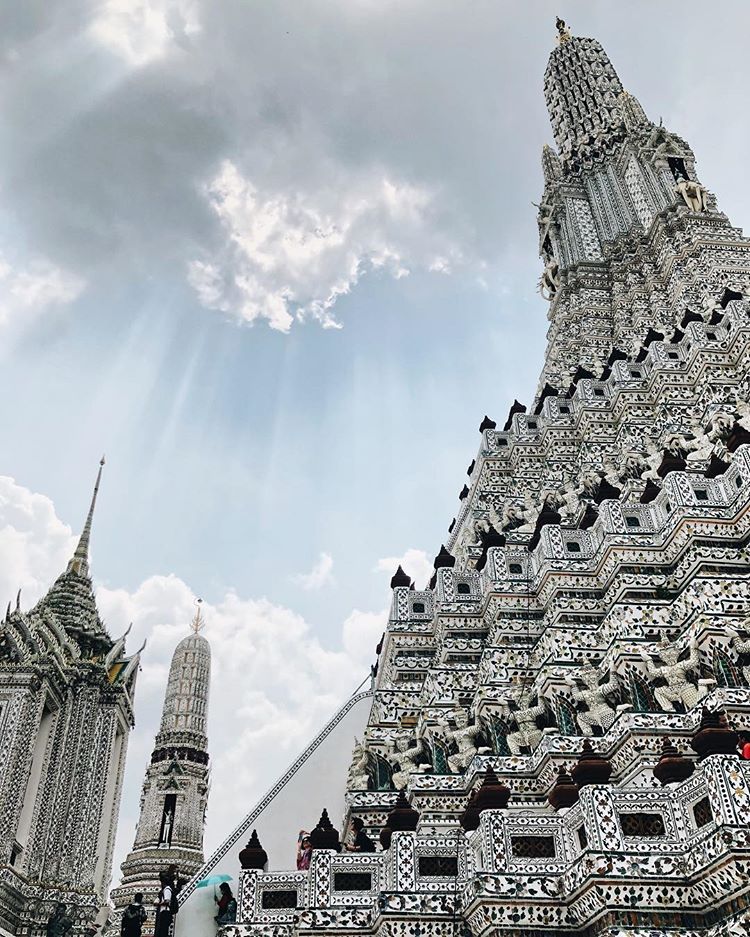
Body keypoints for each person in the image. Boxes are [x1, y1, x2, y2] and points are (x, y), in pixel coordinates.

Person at [154, 867, 179, 937]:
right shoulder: (163, 891)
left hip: (166, 912)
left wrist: (159, 904)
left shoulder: (167, 889)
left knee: (163, 932)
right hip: (163, 912)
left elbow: (167, 901)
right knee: (160, 931)